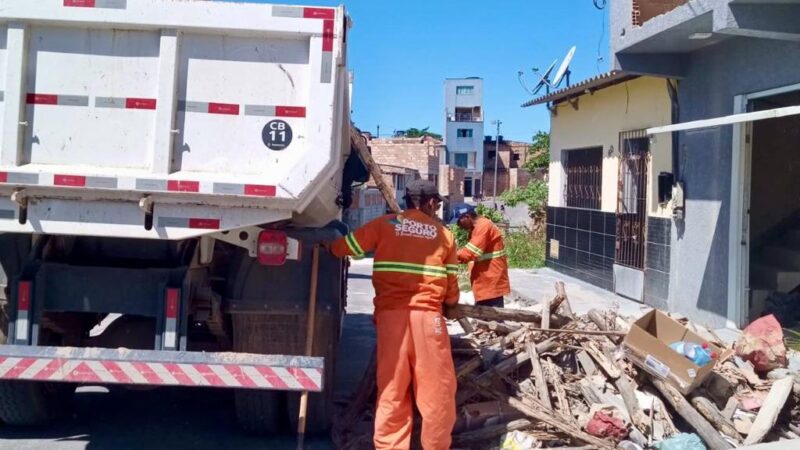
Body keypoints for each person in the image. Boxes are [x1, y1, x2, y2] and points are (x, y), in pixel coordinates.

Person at [327, 180, 459, 450]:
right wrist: (450, 302)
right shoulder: (444, 235)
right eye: (438, 203)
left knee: (392, 389)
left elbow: (342, 248)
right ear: (429, 202)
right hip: (428, 318)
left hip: (391, 319)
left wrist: (327, 246)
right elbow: (452, 291)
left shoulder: (385, 225)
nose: (438, 208)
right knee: (438, 392)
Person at [455, 205, 511, 307]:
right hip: (486, 278)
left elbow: (470, 252)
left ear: (467, 216)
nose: (458, 225)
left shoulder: (483, 227)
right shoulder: (478, 227)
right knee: (485, 314)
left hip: (491, 277)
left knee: (493, 315)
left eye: (459, 222)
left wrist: (450, 255)